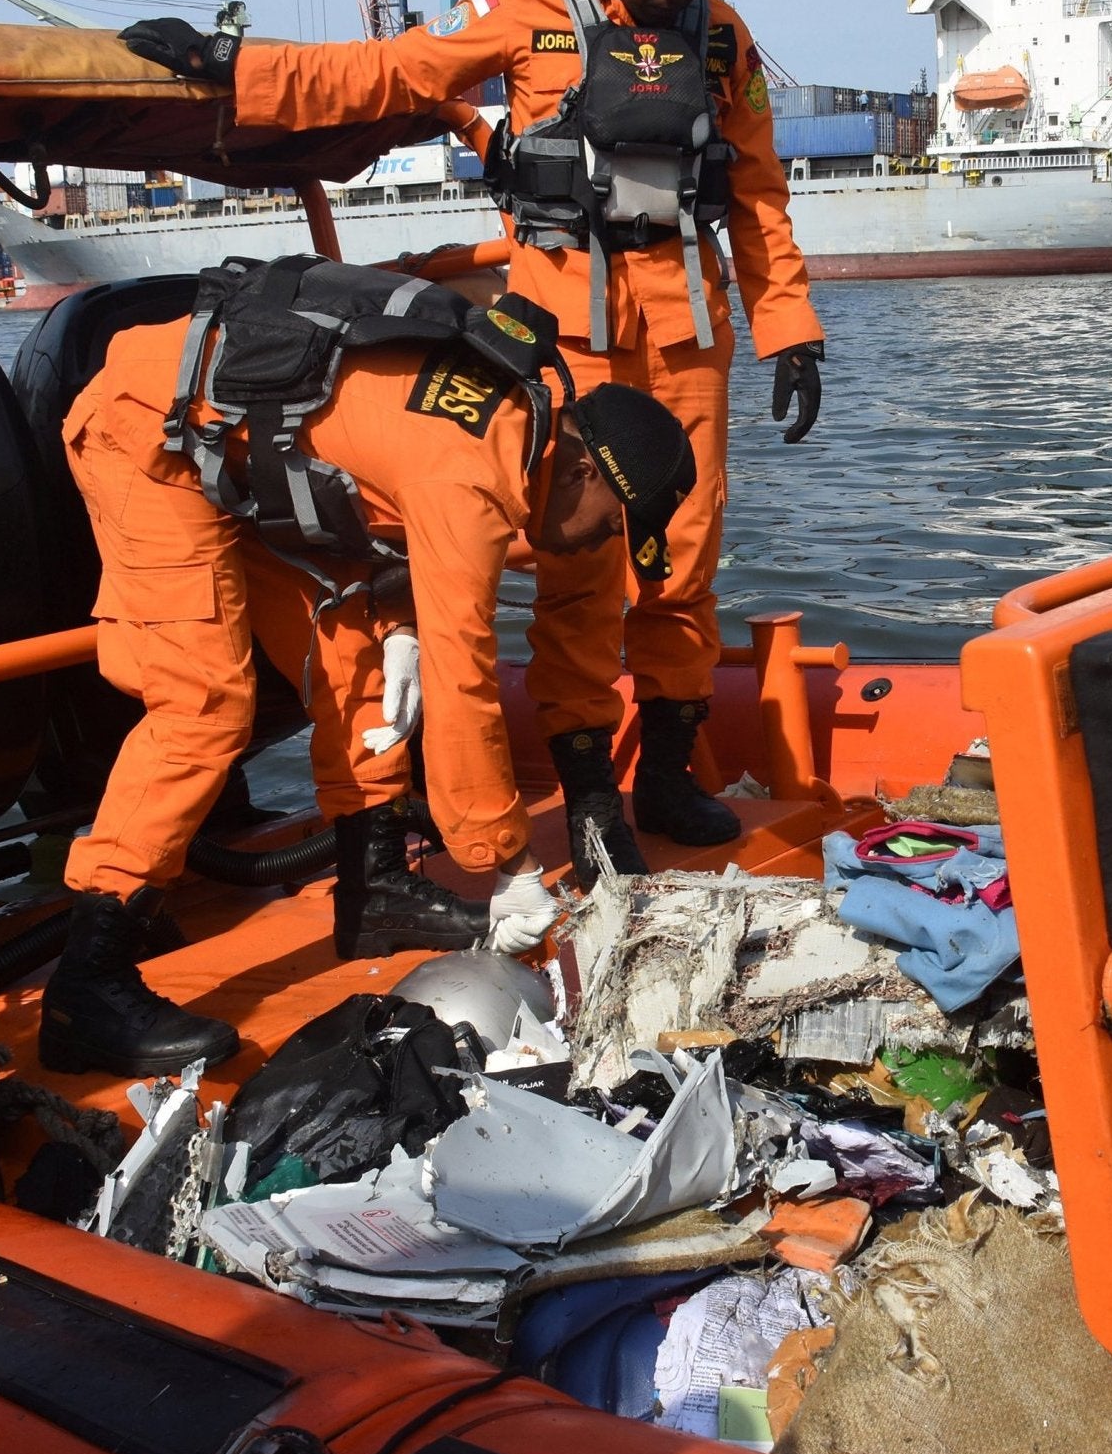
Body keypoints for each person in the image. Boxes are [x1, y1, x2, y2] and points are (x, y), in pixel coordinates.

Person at [122, 0, 827, 889]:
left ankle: (665, 770)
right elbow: (391, 70)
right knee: (577, 572)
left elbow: (753, 192)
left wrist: (789, 329)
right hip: (560, 337)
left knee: (679, 564)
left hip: (686, 334)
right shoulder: (524, 6)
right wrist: (239, 69)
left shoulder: (719, 38)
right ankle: (588, 797)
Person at [45, 284, 695, 1077]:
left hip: (236, 448)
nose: (599, 543)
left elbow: (385, 487)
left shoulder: (527, 436)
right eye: (608, 524)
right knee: (204, 702)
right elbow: (466, 679)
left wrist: (408, 624)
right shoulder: (473, 472)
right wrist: (510, 863)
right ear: (584, 470)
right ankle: (88, 981)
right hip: (149, 435)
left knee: (355, 638)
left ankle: (373, 888)